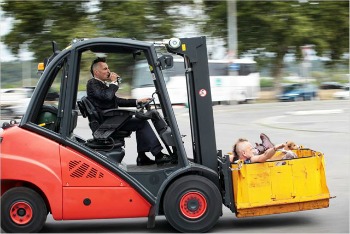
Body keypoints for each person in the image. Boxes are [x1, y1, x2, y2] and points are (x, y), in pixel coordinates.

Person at [87, 57, 171, 166]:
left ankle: (142, 157)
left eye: (108, 68)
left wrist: (137, 101)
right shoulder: (92, 83)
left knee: (140, 122)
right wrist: (113, 83)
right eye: (105, 69)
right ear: (96, 72)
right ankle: (158, 155)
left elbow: (116, 100)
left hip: (111, 120)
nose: (108, 71)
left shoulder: (101, 84)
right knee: (141, 123)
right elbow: (107, 97)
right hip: (108, 123)